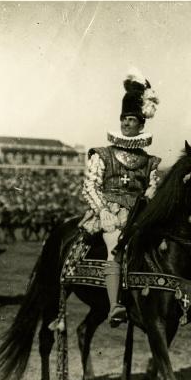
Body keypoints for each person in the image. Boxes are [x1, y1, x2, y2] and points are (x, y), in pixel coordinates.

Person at [79, 67, 161, 327]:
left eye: (132, 119)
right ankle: (115, 305)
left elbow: (152, 188)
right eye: (124, 118)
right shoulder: (102, 154)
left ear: (141, 123)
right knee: (115, 245)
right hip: (108, 212)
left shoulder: (150, 161)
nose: (126, 123)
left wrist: (146, 201)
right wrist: (103, 210)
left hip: (138, 213)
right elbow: (89, 185)